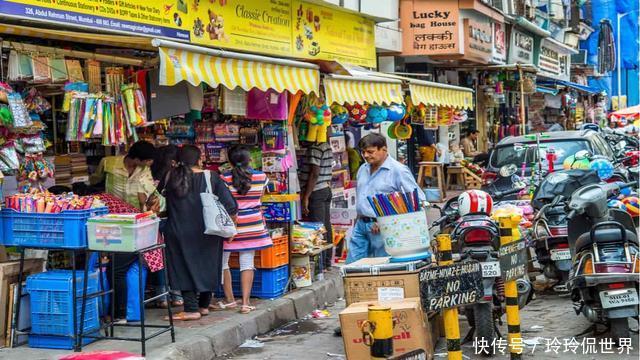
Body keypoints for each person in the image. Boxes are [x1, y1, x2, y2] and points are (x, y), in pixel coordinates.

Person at [163, 145, 238, 321]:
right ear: (199, 160)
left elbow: (156, 199)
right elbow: (231, 206)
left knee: (182, 266)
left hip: (178, 230)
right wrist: (232, 227)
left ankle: (191, 308)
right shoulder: (211, 177)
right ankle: (203, 305)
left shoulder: (170, 176)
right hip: (209, 230)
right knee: (209, 264)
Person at [89, 140, 157, 322]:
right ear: (138, 158)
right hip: (111, 218)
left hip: (135, 222)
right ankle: (120, 312)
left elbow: (151, 194)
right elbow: (94, 179)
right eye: (147, 160)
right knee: (117, 265)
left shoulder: (145, 171)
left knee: (121, 267)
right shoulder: (108, 162)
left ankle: (118, 312)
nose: (149, 164)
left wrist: (148, 206)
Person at [348, 133, 426, 264]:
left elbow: (416, 200)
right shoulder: (363, 169)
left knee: (382, 266)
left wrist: (385, 221)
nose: (366, 155)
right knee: (352, 266)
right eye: (363, 152)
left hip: (385, 228)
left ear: (384, 149)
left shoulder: (398, 170)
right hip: (361, 225)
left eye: (370, 152)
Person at [216, 146, 271, 314]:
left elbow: (221, 201)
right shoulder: (261, 177)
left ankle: (230, 299)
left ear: (230, 161)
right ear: (249, 160)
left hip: (230, 224)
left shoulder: (223, 178)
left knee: (223, 262)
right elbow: (260, 198)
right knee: (247, 263)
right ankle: (246, 303)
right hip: (253, 224)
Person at [149, 145, 183, 309]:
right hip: (171, 220)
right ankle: (176, 296)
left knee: (158, 260)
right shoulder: (174, 176)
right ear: (173, 161)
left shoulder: (151, 176)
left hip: (154, 221)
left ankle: (161, 297)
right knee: (173, 259)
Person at [299, 137, 334, 269]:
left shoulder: (315, 148)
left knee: (318, 228)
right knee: (325, 226)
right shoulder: (325, 145)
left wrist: (306, 197)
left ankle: (321, 265)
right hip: (325, 188)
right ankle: (326, 262)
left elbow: (315, 173)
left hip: (316, 191)